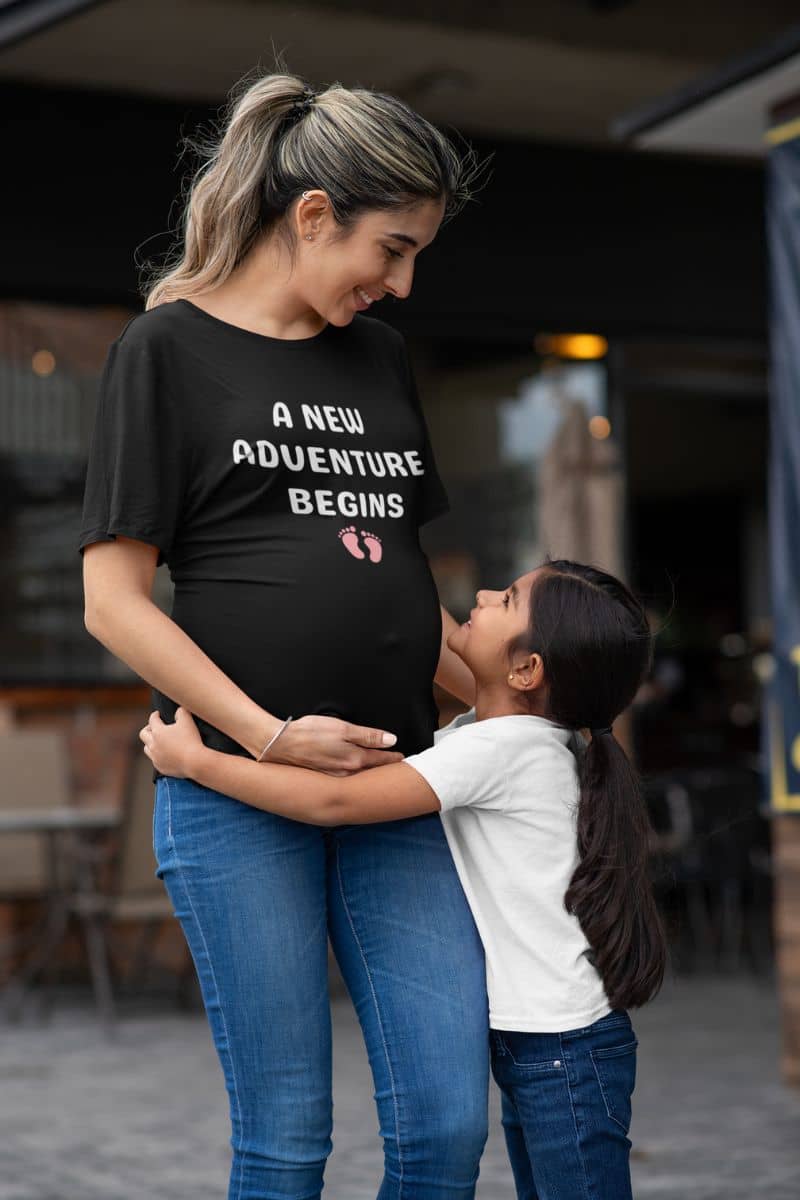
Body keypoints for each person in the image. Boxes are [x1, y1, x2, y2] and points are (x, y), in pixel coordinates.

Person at [80, 72, 488, 1200]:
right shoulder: (165, 352)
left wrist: (516, 707)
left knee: (449, 1121)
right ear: (311, 216)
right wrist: (267, 736)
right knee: (284, 1137)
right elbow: (112, 604)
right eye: (390, 249)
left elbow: (405, 580)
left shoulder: (380, 363)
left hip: (398, 786)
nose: (398, 285)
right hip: (232, 798)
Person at [141, 559, 668, 1200]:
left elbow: (334, 804)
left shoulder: (500, 751)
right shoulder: (497, 739)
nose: (479, 595)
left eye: (505, 599)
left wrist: (198, 763)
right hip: (553, 1043)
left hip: (561, 1052)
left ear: (527, 671)